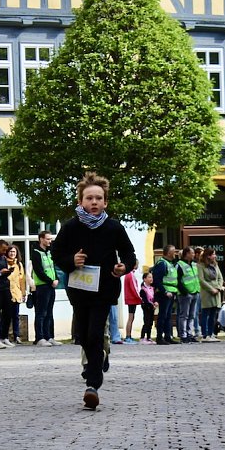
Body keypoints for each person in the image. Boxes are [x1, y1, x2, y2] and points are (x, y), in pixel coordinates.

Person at [51, 173, 136, 410]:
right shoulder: (71, 227)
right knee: (82, 335)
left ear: (105, 202)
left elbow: (129, 254)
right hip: (79, 290)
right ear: (81, 202)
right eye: (89, 198)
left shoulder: (113, 227)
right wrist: (71, 260)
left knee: (95, 334)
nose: (94, 202)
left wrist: (123, 267)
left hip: (104, 289)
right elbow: (56, 253)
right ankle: (98, 360)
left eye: (99, 198)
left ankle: (93, 385)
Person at [31, 230, 60, 346]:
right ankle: (40, 337)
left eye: (50, 239)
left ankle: (49, 336)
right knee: (41, 312)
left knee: (49, 312)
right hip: (42, 286)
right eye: (48, 239)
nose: (50, 241)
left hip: (51, 285)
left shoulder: (49, 252)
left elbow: (53, 267)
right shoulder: (36, 253)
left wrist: (56, 278)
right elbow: (39, 271)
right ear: (41, 239)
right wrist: (50, 280)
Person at [151, 245, 177, 345]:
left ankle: (167, 336)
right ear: (169, 253)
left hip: (171, 292)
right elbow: (157, 280)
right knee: (163, 315)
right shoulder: (162, 264)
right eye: (173, 252)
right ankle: (159, 337)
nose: (175, 253)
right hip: (164, 293)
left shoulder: (170, 264)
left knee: (168, 316)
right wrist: (165, 291)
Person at [197, 248, 224, 342]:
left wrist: (219, 287)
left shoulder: (215, 265)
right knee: (205, 313)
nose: (215, 256)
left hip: (217, 292)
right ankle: (205, 335)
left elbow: (220, 278)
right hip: (207, 292)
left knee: (213, 314)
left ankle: (211, 333)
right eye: (213, 254)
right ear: (208, 256)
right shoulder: (200, 266)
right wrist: (211, 289)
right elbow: (201, 280)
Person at [176, 247, 200, 343]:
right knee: (184, 315)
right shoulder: (180, 265)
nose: (194, 255)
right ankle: (183, 335)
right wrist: (184, 292)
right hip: (185, 294)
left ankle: (190, 334)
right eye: (192, 253)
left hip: (195, 292)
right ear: (187, 254)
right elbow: (177, 280)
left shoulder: (194, 265)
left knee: (192, 315)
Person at [6, 244, 27, 344]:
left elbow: (22, 280)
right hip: (6, 293)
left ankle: (16, 335)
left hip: (16, 293)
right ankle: (4, 336)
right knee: (6, 316)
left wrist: (23, 293)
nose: (12, 254)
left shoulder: (19, 264)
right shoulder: (4, 263)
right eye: (10, 252)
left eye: (14, 252)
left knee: (15, 316)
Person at [122, 266, 142, 344]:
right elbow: (134, 288)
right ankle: (128, 336)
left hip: (130, 298)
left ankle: (129, 336)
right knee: (131, 317)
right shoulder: (130, 275)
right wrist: (140, 298)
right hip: (132, 299)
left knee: (131, 317)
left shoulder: (128, 274)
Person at [138, 271, 156, 344]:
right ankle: (142, 338)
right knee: (146, 322)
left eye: (151, 277)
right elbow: (144, 299)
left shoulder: (152, 288)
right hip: (146, 307)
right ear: (144, 279)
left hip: (152, 307)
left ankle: (148, 337)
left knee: (151, 323)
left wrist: (155, 303)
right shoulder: (143, 289)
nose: (151, 279)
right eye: (149, 277)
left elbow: (154, 297)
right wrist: (150, 304)